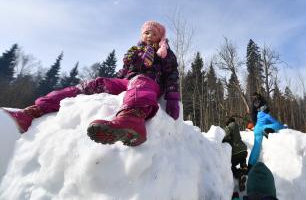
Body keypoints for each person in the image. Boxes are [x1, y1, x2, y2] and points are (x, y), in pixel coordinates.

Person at [1, 21, 180, 146]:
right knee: (95, 83)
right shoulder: (134, 52)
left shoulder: (164, 53)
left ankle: (132, 119)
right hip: (127, 81)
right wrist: (113, 80)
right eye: (146, 32)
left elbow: (172, 74)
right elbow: (123, 72)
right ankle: (33, 111)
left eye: (154, 33)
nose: (150, 36)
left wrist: (172, 98)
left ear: (160, 37)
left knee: (140, 81)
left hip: (149, 83)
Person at [247, 105, 286, 170]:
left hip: (256, 129)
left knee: (256, 148)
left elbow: (265, 122)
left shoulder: (259, 115)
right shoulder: (266, 115)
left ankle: (250, 164)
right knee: (277, 124)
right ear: (266, 110)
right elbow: (275, 122)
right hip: (261, 129)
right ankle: (267, 130)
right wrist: (283, 127)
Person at [222, 116, 248, 191]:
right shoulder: (236, 127)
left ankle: (239, 175)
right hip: (243, 150)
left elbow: (225, 135)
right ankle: (244, 167)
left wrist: (222, 140)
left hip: (235, 152)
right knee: (242, 157)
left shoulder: (229, 127)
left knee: (230, 166)